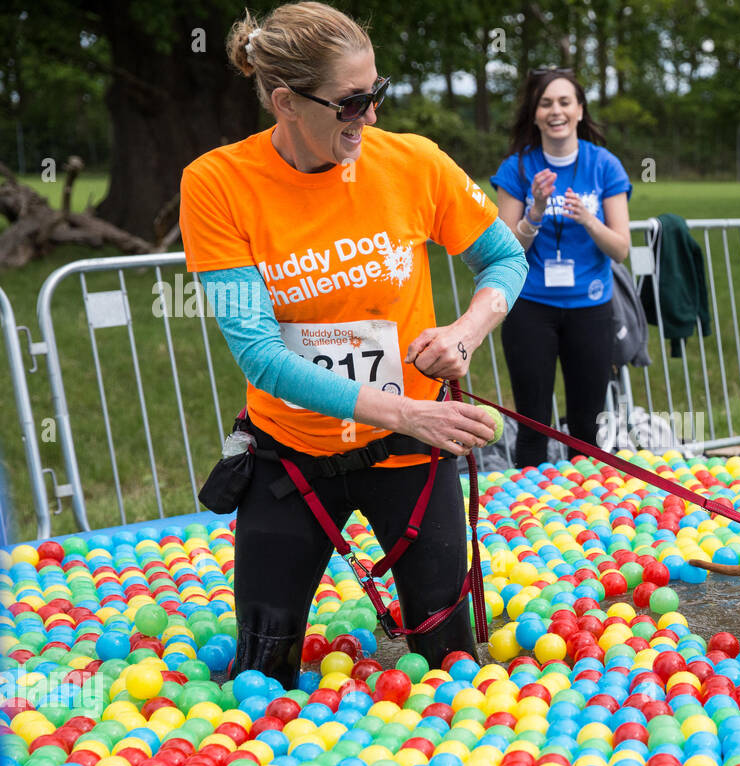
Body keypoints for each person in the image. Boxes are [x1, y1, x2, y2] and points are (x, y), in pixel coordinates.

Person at [178, 2, 526, 688]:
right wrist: (405, 411)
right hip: (293, 459)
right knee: (261, 672)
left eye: (377, 94)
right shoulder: (216, 183)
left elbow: (504, 259)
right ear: (286, 101)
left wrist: (464, 332)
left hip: (408, 457)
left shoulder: (415, 162)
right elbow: (261, 357)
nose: (369, 116)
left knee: (450, 665)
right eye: (351, 102)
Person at [490, 68, 632, 467]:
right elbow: (507, 249)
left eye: (565, 102)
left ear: (580, 110)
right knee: (533, 423)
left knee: (587, 425)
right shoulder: (517, 168)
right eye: (546, 103)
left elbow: (620, 249)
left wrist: (589, 219)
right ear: (534, 114)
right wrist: (534, 211)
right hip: (530, 306)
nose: (556, 111)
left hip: (590, 307)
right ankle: (529, 512)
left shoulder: (604, 165)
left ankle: (586, 508)